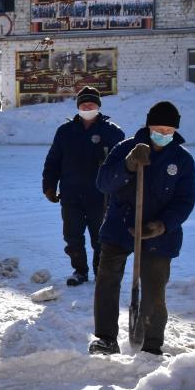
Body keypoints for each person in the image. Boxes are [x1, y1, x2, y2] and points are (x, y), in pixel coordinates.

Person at [89, 100, 195, 356]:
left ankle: (151, 344)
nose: (163, 135)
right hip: (119, 227)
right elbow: (103, 184)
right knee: (107, 281)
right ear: (148, 126)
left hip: (159, 234)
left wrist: (162, 225)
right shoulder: (125, 148)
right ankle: (106, 338)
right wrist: (127, 165)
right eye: (158, 129)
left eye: (169, 131)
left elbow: (185, 200)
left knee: (154, 288)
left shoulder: (182, 159)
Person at [41, 86, 124, 287]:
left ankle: (100, 273)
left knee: (100, 238)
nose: (88, 106)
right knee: (72, 236)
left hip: (101, 197)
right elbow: (53, 161)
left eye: (92, 103)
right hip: (71, 195)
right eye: (84, 104)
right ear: (78, 107)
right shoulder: (65, 132)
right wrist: (49, 186)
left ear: (98, 106)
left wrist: (120, 192)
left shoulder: (113, 132)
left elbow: (123, 167)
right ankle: (79, 271)